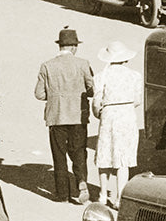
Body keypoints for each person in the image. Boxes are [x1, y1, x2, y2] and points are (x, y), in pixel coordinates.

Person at [35, 27, 95, 204]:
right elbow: (91, 89)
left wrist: (54, 96)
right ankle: (81, 182)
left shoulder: (47, 65)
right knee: (79, 152)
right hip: (78, 116)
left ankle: (62, 194)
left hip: (56, 116)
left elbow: (39, 94)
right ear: (75, 47)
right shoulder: (83, 63)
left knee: (59, 155)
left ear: (60, 46)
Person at [92, 41, 142, 210]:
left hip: (108, 115)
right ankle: (120, 197)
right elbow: (137, 100)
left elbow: (96, 103)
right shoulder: (135, 76)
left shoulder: (101, 76)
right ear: (125, 58)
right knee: (123, 159)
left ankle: (103, 194)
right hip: (126, 115)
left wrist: (101, 112)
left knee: (105, 155)